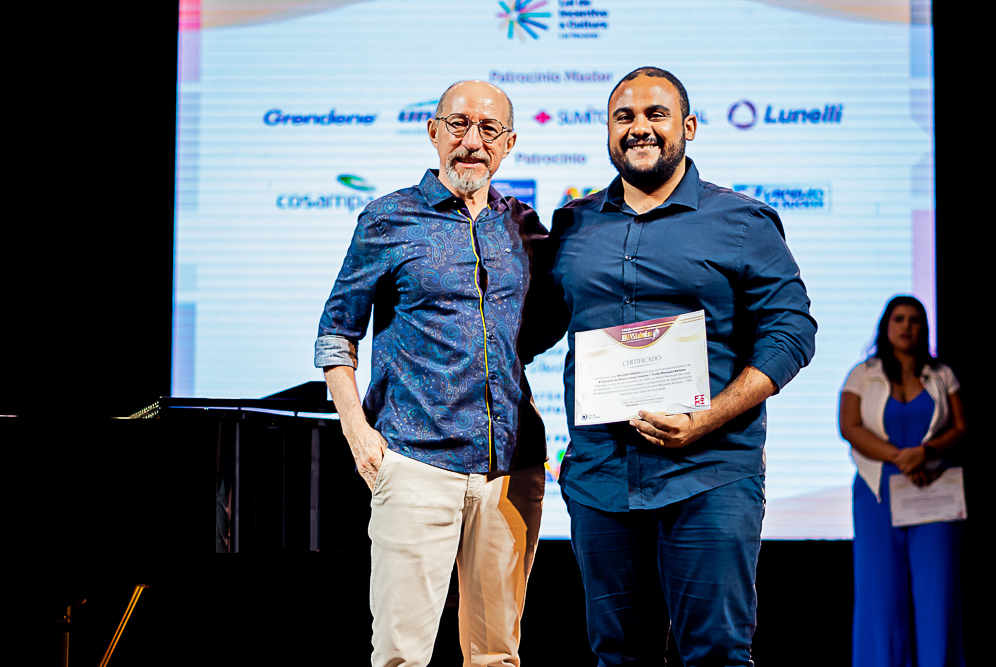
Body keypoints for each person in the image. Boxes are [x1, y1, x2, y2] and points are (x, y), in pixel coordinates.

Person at [529, 66, 817, 665]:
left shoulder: (742, 222)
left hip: (710, 472)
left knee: (716, 656)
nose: (640, 128)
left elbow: (791, 331)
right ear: (609, 131)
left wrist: (709, 417)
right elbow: (532, 330)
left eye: (656, 114)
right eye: (625, 117)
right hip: (601, 477)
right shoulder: (573, 224)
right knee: (619, 658)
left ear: (688, 127)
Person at [314, 80, 547, 667]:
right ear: (434, 131)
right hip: (416, 461)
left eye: (489, 129)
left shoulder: (522, 226)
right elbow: (336, 333)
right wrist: (357, 433)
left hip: (511, 470)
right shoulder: (387, 218)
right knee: (402, 657)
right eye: (459, 124)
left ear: (509, 143)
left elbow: (547, 323)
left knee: (496, 658)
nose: (472, 142)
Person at [839, 295, 966, 667]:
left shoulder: (942, 374)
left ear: (923, 327)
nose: (907, 326)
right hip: (877, 493)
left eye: (914, 319)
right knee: (880, 597)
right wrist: (901, 457)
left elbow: (961, 428)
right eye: (899, 319)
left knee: (937, 595)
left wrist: (924, 453)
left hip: (934, 489)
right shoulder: (862, 373)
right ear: (886, 325)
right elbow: (849, 427)